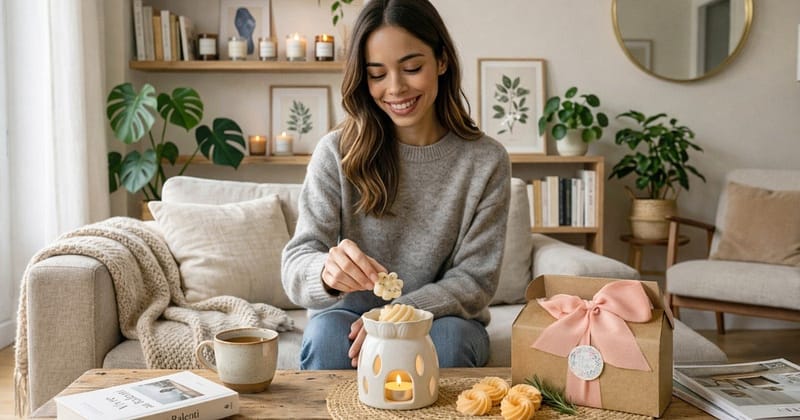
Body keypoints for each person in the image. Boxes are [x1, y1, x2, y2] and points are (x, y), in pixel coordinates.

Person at [281, 0, 511, 370]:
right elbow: (296, 263)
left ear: (441, 61)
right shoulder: (335, 152)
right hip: (345, 316)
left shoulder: (485, 161)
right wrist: (326, 272)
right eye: (377, 74)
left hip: (440, 318)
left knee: (451, 343)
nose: (395, 88)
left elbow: (475, 279)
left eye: (412, 67)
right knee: (325, 342)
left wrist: (397, 316)